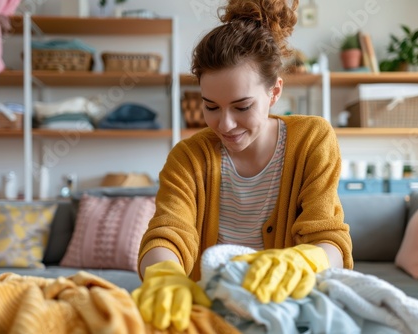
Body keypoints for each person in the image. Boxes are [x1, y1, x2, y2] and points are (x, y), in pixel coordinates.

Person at [134, 0, 353, 331]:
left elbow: (329, 239)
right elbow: (169, 232)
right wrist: (163, 275)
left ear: (274, 92)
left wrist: (305, 260)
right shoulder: (188, 157)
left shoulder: (312, 140)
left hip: (290, 310)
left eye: (242, 106)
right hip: (209, 314)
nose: (225, 125)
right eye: (211, 106)